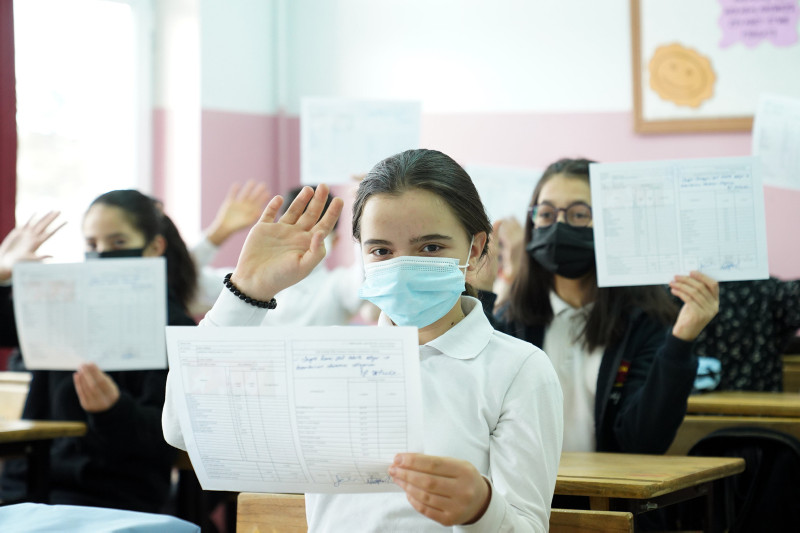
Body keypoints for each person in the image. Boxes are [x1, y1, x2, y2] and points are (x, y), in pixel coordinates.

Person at [163, 149, 563, 531]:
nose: (402, 266)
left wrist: (481, 508)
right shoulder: (327, 361)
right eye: (382, 250)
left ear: (474, 250)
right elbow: (184, 430)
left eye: (431, 247)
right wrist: (246, 289)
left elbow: (527, 526)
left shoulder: (518, 370)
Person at [494, 157, 719, 454]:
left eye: (578, 214)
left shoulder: (644, 322)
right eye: (546, 214)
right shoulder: (511, 320)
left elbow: (643, 443)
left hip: (609, 483)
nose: (559, 226)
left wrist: (682, 340)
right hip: (525, 483)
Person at [0, 190, 197, 513]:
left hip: (111, 499)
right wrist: (2, 273)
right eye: (92, 245)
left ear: (154, 247)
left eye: (118, 242)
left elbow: (169, 438)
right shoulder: (63, 305)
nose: (103, 254)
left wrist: (113, 410)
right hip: (28, 488)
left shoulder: (174, 327)